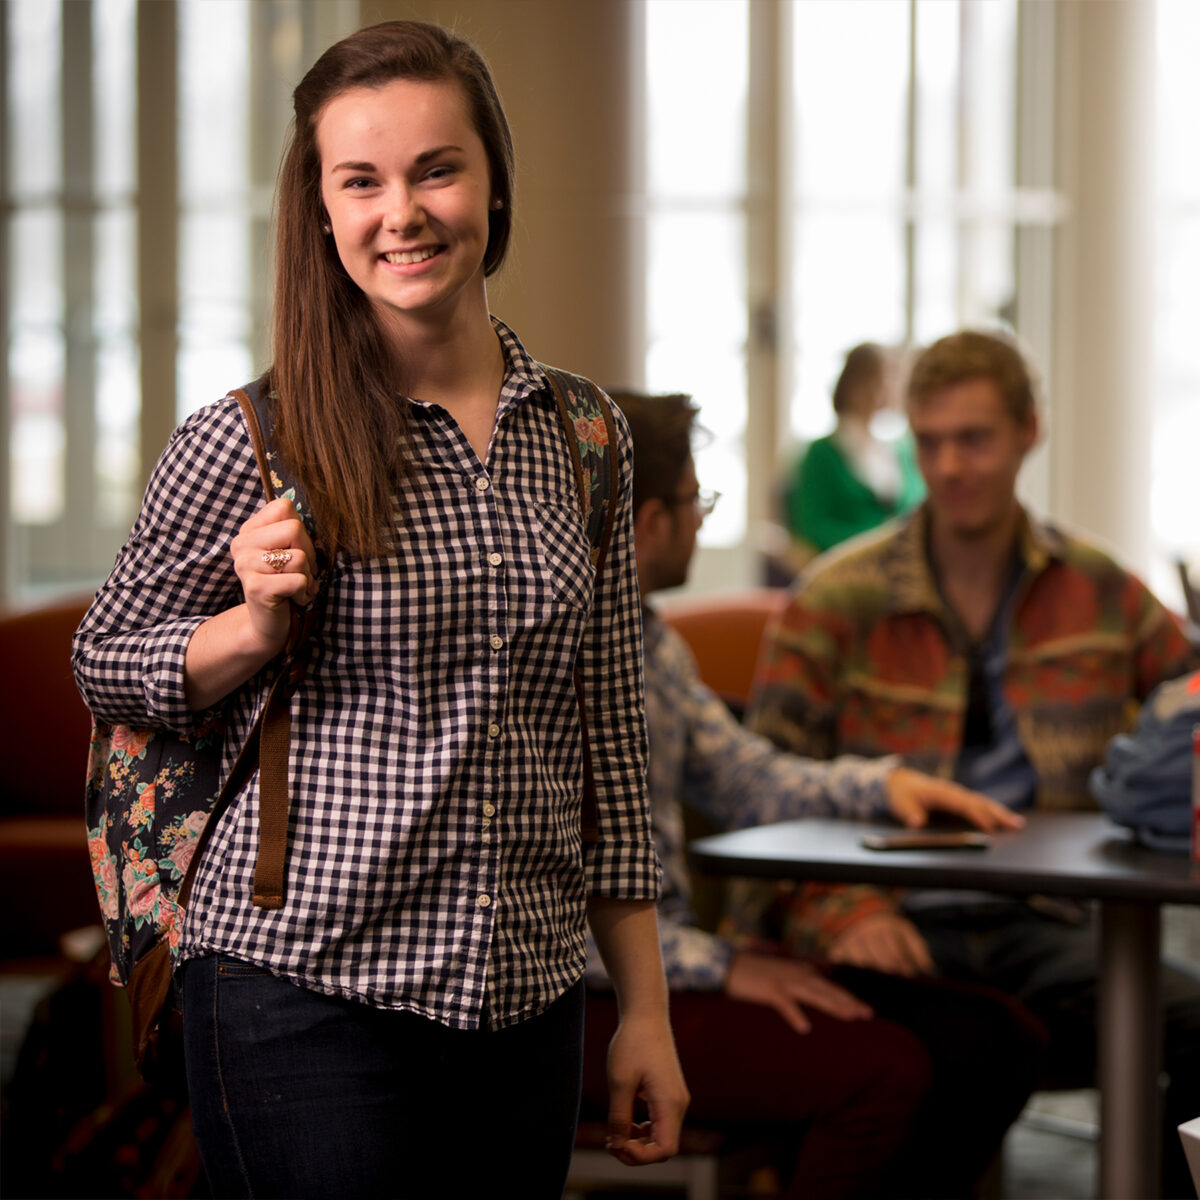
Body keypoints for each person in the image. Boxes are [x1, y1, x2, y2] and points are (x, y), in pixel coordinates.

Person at [72, 21, 686, 1199]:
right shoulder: (248, 438)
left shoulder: (587, 434)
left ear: (493, 181)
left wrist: (643, 1012)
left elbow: (611, 736)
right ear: (320, 209)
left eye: (435, 169)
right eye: (360, 180)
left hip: (526, 1003)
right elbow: (108, 663)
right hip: (298, 995)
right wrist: (250, 628)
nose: (400, 211)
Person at [745, 328, 1200, 1197]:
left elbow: (1189, 707)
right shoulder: (838, 600)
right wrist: (840, 910)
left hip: (1048, 921)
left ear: (1031, 432)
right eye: (931, 441)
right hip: (889, 916)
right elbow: (758, 788)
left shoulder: (1102, 591)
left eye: (976, 439)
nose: (950, 466)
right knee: (949, 1052)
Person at [580, 389, 1045, 1199]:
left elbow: (747, 779)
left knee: (995, 1038)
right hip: (595, 1005)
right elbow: (538, 921)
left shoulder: (653, 643)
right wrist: (721, 966)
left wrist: (886, 784)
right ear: (649, 521)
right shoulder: (546, 663)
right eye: (697, 502)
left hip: (674, 971)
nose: (702, 520)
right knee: (884, 1077)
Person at [783, 342, 925, 556]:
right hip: (846, 562)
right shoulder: (822, 453)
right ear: (853, 383)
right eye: (881, 376)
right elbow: (812, 527)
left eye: (893, 377)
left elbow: (917, 509)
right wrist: (878, 540)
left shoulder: (899, 451)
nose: (889, 385)